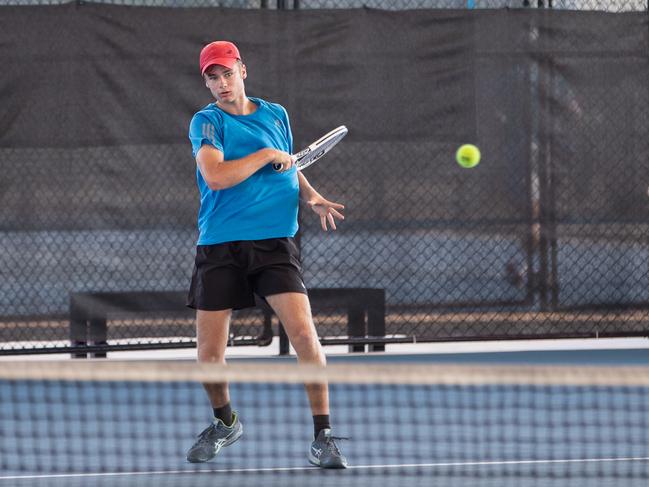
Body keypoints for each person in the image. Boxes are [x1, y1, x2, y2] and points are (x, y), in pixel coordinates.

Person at [185, 40, 347, 469]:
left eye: (226, 73)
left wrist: (310, 197)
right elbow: (216, 177)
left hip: (275, 243)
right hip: (220, 243)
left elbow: (290, 164)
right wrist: (265, 155)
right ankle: (225, 423)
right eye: (212, 77)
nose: (221, 83)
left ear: (243, 70)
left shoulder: (276, 114)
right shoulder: (207, 122)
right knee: (209, 356)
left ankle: (323, 436)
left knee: (306, 338)